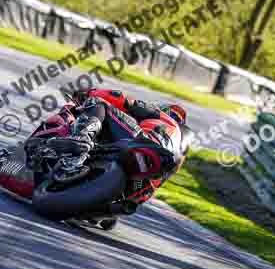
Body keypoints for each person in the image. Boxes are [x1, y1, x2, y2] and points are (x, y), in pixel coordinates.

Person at [27, 89, 188, 213]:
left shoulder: (161, 118)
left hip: (143, 141)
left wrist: (88, 93)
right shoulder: (174, 158)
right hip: (135, 190)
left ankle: (81, 138)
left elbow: (122, 99)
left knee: (98, 103)